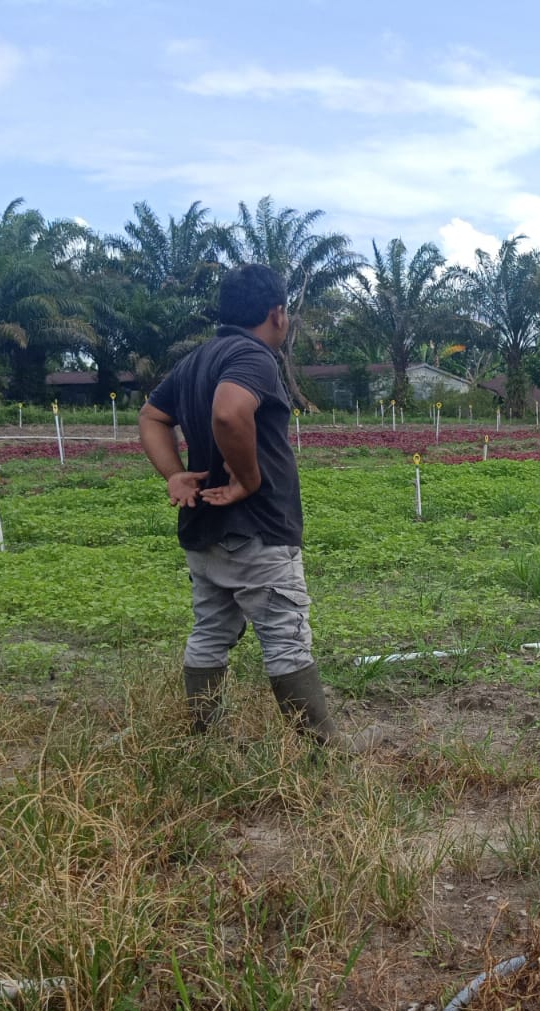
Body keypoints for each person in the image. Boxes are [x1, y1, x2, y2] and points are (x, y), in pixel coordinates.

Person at [138, 264, 362, 748]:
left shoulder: (197, 359)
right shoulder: (253, 356)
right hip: (257, 527)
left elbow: (152, 415)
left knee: (211, 630)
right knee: (284, 633)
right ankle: (322, 750)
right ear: (277, 314)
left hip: (203, 526)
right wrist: (248, 477)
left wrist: (174, 473)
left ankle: (205, 741)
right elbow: (228, 411)